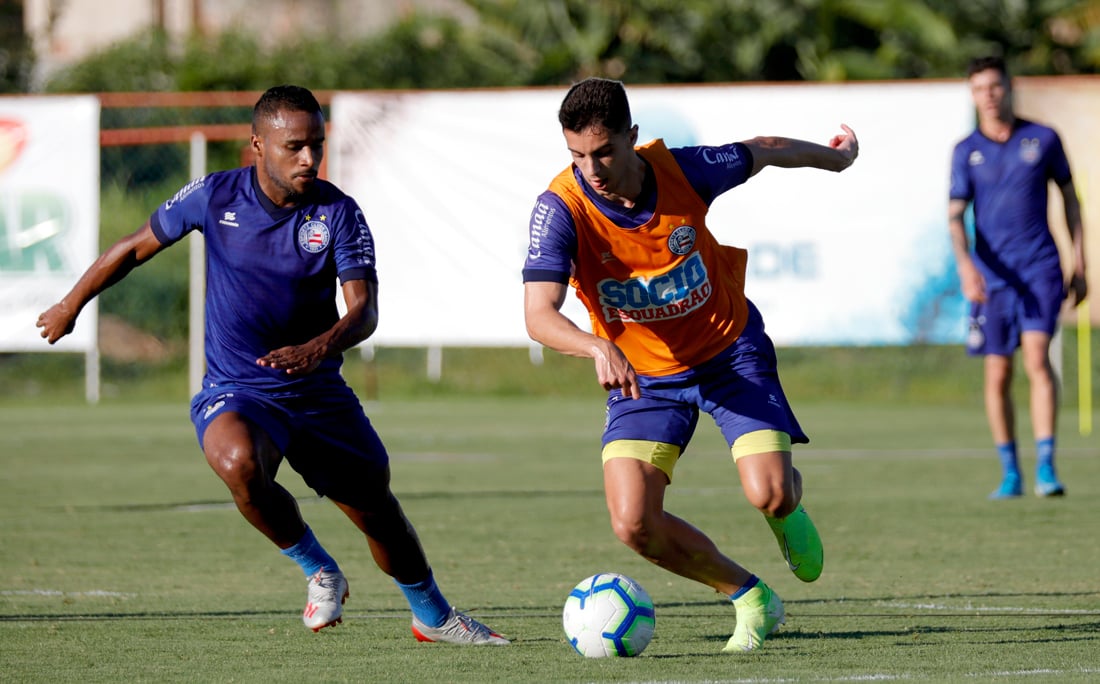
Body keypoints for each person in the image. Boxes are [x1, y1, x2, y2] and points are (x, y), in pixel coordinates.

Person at [37, 85, 508, 645]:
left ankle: (433, 616)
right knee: (239, 463)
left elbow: (365, 312)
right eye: (294, 147)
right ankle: (318, 568)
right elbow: (135, 246)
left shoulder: (338, 213)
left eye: (317, 145)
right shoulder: (214, 197)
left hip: (317, 392)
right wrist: (71, 304)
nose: (309, 159)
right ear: (257, 144)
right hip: (238, 388)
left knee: (376, 509)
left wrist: (320, 348)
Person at [522, 77, 858, 653]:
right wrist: (598, 346)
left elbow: (767, 149)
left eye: (603, 151)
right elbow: (538, 314)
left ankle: (785, 506)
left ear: (632, 137)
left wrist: (836, 158)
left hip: (730, 354)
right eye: (577, 155)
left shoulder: (685, 171)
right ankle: (751, 598)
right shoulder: (561, 209)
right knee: (632, 523)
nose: (592, 168)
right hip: (645, 380)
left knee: (770, 494)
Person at [948, 56, 1088, 500]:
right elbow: (954, 217)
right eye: (978, 89)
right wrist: (966, 267)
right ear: (973, 96)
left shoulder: (1042, 139)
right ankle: (1010, 472)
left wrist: (1079, 262)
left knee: (1037, 360)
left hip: (1040, 269)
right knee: (997, 373)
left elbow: (1071, 201)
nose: (987, 96)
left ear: (1009, 88)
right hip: (991, 279)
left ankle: (1046, 467)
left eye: (994, 87)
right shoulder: (965, 150)